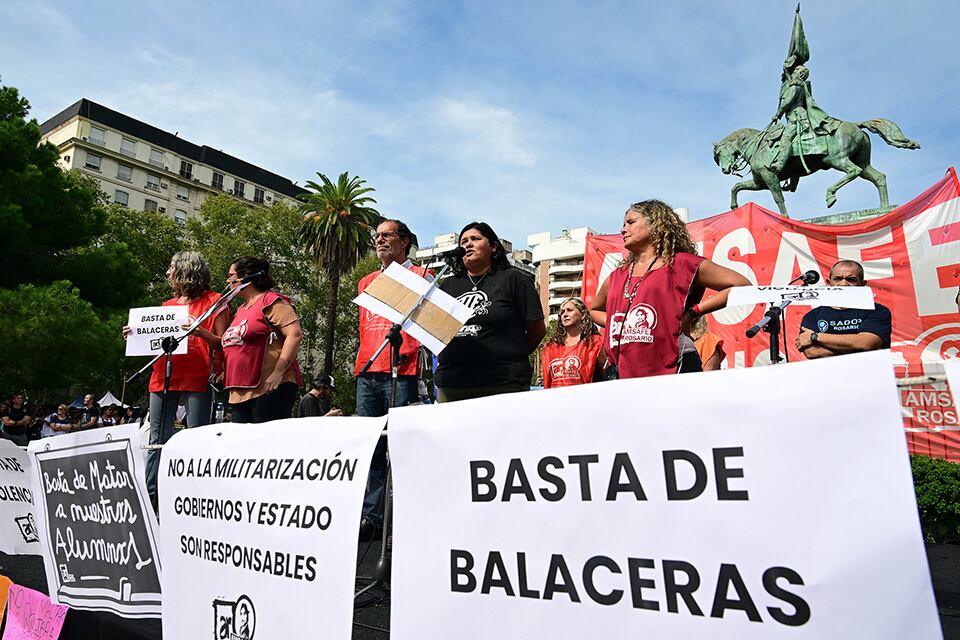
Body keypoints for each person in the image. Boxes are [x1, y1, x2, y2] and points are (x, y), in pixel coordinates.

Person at [589, 200, 750, 379]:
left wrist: (692, 313)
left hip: (675, 365)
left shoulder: (682, 264)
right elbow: (594, 310)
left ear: (656, 225)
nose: (623, 229)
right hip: (624, 372)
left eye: (631, 222)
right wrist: (621, 323)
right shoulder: (617, 276)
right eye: (623, 224)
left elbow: (740, 284)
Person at [125, 251, 229, 499]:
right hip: (163, 375)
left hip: (198, 375)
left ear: (186, 270)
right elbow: (153, 340)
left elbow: (224, 343)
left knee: (197, 436)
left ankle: (194, 494)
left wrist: (199, 332)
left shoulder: (216, 301)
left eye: (171, 267)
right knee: (156, 438)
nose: (167, 273)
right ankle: (151, 496)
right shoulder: (166, 306)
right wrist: (135, 334)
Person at [355, 219, 432, 539]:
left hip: (402, 371)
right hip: (367, 371)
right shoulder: (365, 282)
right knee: (371, 449)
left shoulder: (422, 276)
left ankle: (406, 517)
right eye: (377, 236)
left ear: (405, 242)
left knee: (400, 448)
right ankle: (371, 518)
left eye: (387, 235)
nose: (379, 240)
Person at [436, 221, 546, 402]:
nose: (468, 244)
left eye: (475, 239)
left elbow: (537, 329)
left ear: (494, 246)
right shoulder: (447, 285)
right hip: (453, 383)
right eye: (463, 241)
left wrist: (511, 355)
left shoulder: (515, 280)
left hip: (503, 382)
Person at [215, 256, 302, 423]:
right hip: (240, 391)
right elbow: (237, 343)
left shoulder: (272, 301)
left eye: (231, 275)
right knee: (242, 446)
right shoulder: (241, 309)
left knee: (266, 444)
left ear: (246, 276)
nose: (228, 280)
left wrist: (278, 372)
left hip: (269, 388)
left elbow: (295, 335)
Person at [796, 260, 891, 358]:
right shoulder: (813, 315)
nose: (844, 284)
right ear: (829, 283)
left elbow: (866, 344)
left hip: (870, 372)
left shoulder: (877, 311)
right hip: (829, 372)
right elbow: (812, 353)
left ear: (863, 284)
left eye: (851, 280)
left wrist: (815, 337)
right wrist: (859, 347)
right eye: (838, 279)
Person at [542, 297, 605, 388]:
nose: (565, 314)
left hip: (587, 399)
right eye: (562, 312)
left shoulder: (595, 342)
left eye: (569, 310)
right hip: (556, 400)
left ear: (582, 315)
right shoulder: (550, 347)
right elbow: (547, 382)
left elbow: (607, 376)